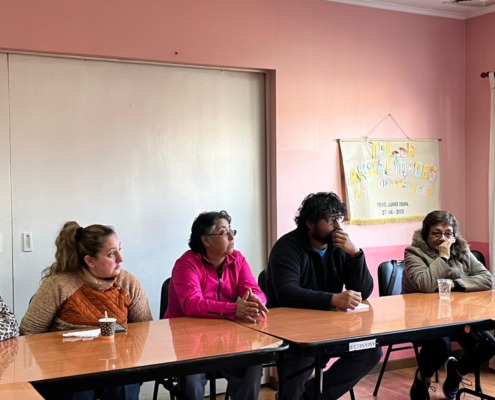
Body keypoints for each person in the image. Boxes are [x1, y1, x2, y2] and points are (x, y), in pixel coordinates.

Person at [265, 192, 382, 400]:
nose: (337, 226)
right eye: (330, 220)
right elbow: (287, 293)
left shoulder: (339, 247)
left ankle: (312, 397)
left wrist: (355, 254)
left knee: (370, 351)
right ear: (310, 223)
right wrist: (332, 299)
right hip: (293, 332)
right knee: (299, 364)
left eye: (339, 219)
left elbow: (364, 291)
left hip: (330, 327)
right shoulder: (287, 247)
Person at [20, 221, 153, 400]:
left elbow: (145, 329)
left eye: (120, 250)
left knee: (126, 383)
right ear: (90, 260)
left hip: (116, 364)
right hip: (68, 368)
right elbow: (28, 333)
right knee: (77, 389)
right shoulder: (59, 284)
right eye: (111, 254)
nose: (121, 259)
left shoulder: (128, 283)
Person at [165, 210, 268, 400]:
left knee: (252, 365)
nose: (231, 237)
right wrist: (234, 309)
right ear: (206, 240)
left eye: (231, 231)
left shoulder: (237, 259)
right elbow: (192, 304)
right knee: (191, 378)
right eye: (224, 232)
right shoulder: (186, 264)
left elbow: (254, 289)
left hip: (228, 336)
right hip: (190, 339)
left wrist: (256, 300)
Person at [402, 210, 495, 400]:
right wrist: (443, 258)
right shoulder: (414, 253)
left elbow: (487, 279)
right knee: (441, 347)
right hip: (424, 317)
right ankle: (422, 378)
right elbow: (425, 284)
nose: (443, 238)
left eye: (448, 233)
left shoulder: (461, 250)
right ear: (426, 234)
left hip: (459, 315)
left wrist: (457, 284)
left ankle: (456, 371)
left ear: (454, 235)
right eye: (436, 233)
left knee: (488, 345)